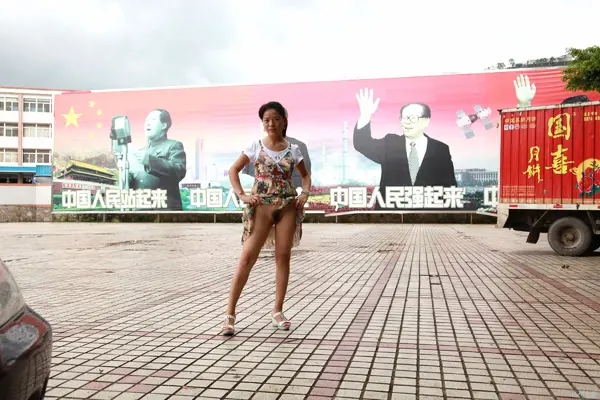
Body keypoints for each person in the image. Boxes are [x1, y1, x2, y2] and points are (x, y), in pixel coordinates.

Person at [221, 101, 311, 336]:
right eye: (266, 120)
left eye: (276, 119)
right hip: (261, 206)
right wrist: (242, 195)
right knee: (247, 258)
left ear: (284, 122)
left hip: (287, 206)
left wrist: (305, 193)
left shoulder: (294, 150)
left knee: (283, 257)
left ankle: (278, 312)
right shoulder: (255, 146)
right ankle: (230, 315)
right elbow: (233, 170)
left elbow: (305, 176)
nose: (271, 124)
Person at [353, 88, 456, 209]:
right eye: (404, 118)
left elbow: (449, 188)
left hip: (427, 215)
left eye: (413, 118)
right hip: (390, 216)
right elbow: (362, 144)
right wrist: (365, 115)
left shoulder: (440, 149)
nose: (407, 122)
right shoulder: (390, 143)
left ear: (426, 121)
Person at [128, 109, 187, 210]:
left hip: (164, 213)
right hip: (140, 213)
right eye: (146, 120)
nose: (147, 123)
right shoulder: (139, 153)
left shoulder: (173, 145)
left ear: (164, 125)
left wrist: (150, 161)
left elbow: (178, 171)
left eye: (152, 119)